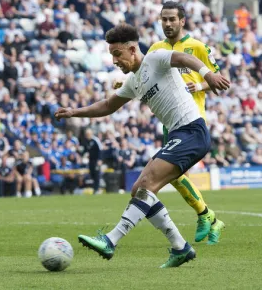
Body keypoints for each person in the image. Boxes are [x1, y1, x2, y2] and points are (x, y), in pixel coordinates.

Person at [55, 23, 230, 268]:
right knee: (139, 189)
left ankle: (111, 240)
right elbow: (107, 106)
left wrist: (206, 74)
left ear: (133, 49)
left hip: (192, 131)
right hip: (179, 135)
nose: (115, 60)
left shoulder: (156, 58)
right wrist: (74, 112)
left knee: (147, 184)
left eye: (117, 54)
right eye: (111, 55)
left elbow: (182, 58)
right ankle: (180, 247)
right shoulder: (133, 81)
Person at [146, 1, 226, 244]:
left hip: (193, 118)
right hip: (169, 119)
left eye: (172, 19)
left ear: (182, 21)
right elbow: (144, 76)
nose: (167, 23)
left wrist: (200, 84)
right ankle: (210, 218)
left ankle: (206, 216)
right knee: (174, 174)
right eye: (164, 19)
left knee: (174, 172)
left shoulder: (197, 47)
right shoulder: (156, 48)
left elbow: (220, 80)